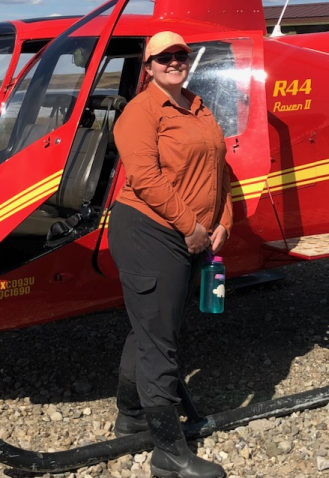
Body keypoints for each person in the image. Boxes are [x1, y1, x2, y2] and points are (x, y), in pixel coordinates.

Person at [107, 31, 233, 478]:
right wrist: (192, 227)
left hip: (191, 232)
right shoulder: (141, 112)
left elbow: (219, 168)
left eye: (180, 55)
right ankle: (168, 452)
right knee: (162, 340)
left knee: (152, 326)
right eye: (164, 58)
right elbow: (146, 179)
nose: (174, 62)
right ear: (149, 66)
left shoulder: (196, 105)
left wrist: (223, 221)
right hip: (148, 231)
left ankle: (131, 415)